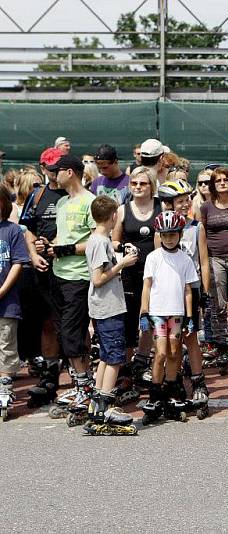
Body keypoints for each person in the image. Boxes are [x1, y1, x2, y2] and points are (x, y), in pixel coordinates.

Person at [83, 195, 138, 434]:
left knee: (106, 355)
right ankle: (106, 405)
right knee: (115, 356)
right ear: (113, 216)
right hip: (107, 307)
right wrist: (122, 264)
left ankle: (98, 402)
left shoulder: (101, 240)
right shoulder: (98, 242)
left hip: (106, 306)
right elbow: (98, 278)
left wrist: (119, 253)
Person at [47, 154, 96, 414]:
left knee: (71, 335)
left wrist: (66, 249)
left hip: (79, 277)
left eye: (58, 170)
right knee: (68, 334)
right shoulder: (63, 202)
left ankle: (84, 388)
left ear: (71, 172)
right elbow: (62, 236)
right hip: (58, 274)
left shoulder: (90, 201)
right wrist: (50, 244)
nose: (53, 174)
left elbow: (98, 241)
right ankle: (83, 382)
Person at [158, 179, 210, 418]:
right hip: (169, 293)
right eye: (180, 201)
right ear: (168, 204)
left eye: (187, 199)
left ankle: (199, 382)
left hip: (192, 289)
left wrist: (206, 293)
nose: (185, 203)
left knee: (191, 338)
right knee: (171, 342)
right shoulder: (163, 229)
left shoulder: (195, 227)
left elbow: (204, 261)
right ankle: (173, 380)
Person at [139, 211, 198, 424]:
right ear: (159, 235)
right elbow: (146, 287)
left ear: (180, 234)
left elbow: (188, 291)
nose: (169, 238)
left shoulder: (185, 259)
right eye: (164, 234)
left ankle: (171, 390)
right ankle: (155, 396)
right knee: (161, 352)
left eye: (173, 234)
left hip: (176, 313)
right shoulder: (153, 258)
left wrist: (190, 317)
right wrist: (144, 312)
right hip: (157, 312)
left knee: (174, 350)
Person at [22, 148, 67, 408]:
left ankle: (77, 369)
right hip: (44, 268)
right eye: (49, 169)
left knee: (75, 323)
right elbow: (28, 230)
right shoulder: (36, 195)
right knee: (48, 323)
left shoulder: (75, 194)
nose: (54, 174)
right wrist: (33, 254)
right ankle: (50, 374)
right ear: (42, 169)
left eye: (58, 169)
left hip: (71, 267)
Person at [112, 166, 160, 379]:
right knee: (130, 318)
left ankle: (142, 360)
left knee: (151, 314)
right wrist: (123, 248)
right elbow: (113, 241)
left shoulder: (161, 206)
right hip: (130, 272)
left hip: (155, 272)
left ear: (151, 186)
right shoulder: (123, 209)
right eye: (134, 183)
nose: (138, 187)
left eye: (143, 183)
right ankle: (126, 367)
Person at [198, 166, 228, 373]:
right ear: (213, 184)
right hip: (215, 259)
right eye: (218, 180)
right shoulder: (206, 208)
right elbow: (202, 237)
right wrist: (205, 268)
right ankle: (222, 348)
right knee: (216, 305)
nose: (222, 183)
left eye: (226, 179)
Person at [0, 184, 30, 420]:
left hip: (6, 301)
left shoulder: (12, 231)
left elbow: (18, 262)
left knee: (6, 345)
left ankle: (4, 388)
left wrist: (2, 290)